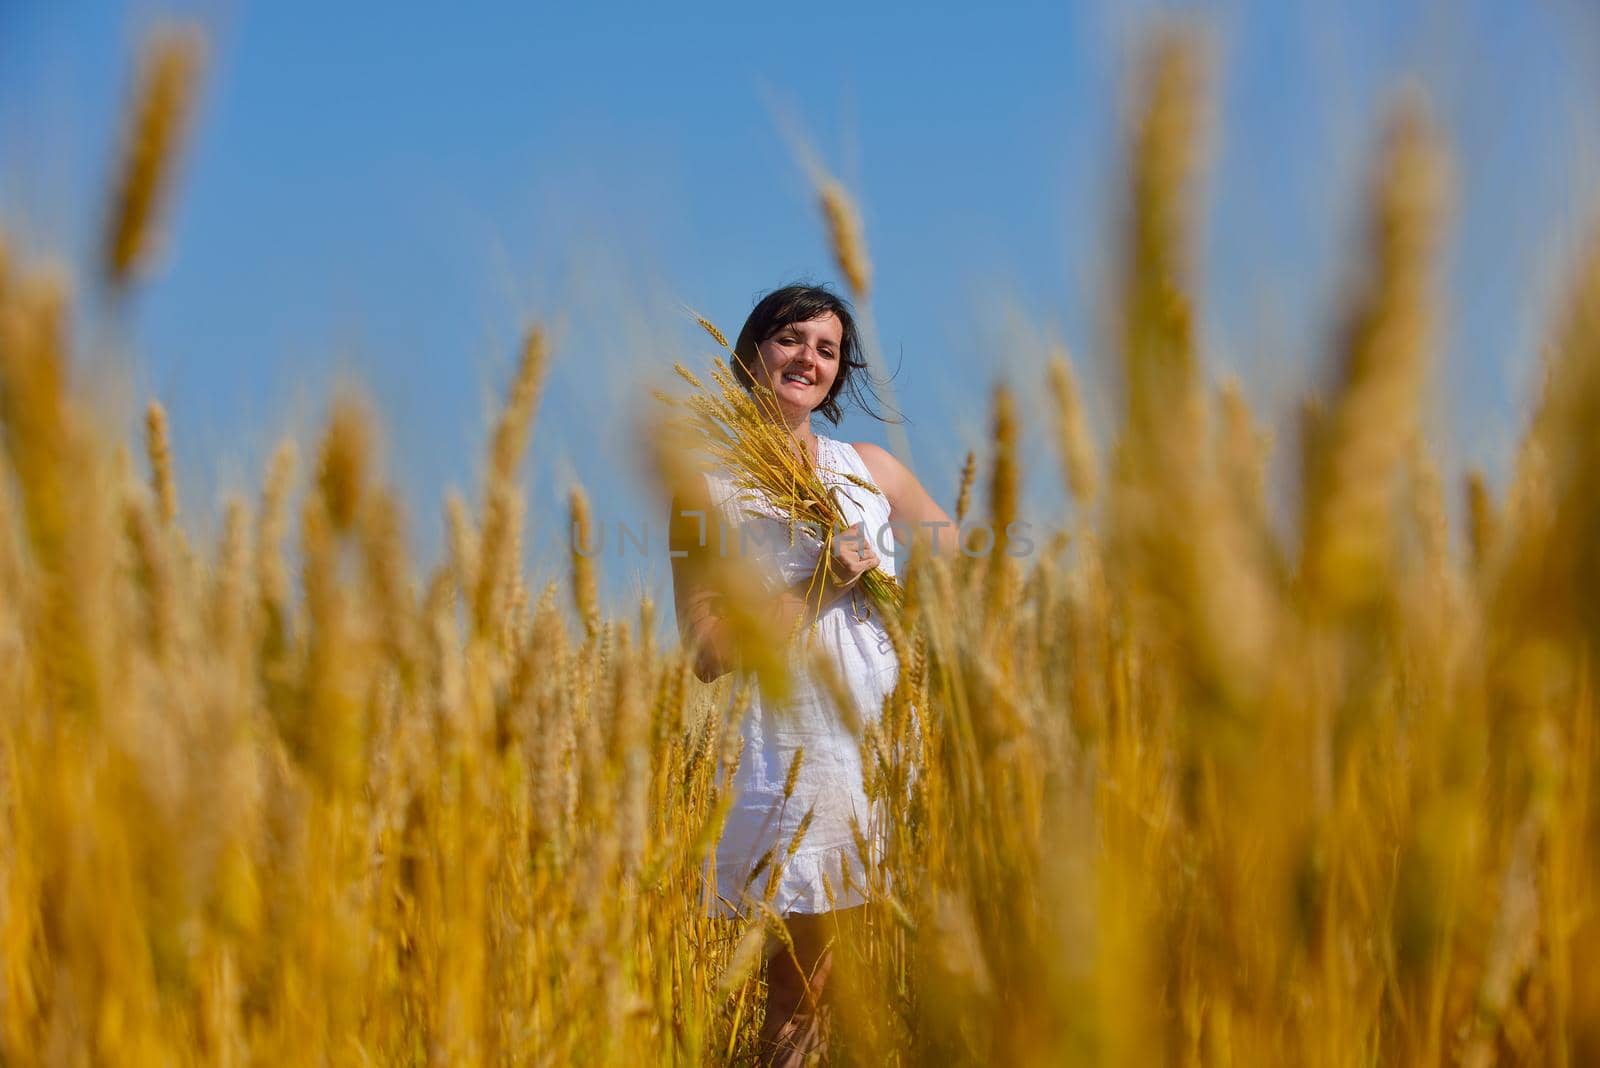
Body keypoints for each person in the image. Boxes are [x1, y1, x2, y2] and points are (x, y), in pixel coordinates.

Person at [667, 284, 958, 1065]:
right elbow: (708, 652)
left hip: (884, 740)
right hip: (796, 748)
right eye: (792, 338)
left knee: (860, 976)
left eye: (827, 349)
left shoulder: (869, 467)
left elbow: (958, 556)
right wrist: (821, 579)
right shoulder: (710, 487)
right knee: (804, 980)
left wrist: (914, 618)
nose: (809, 358)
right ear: (753, 349)